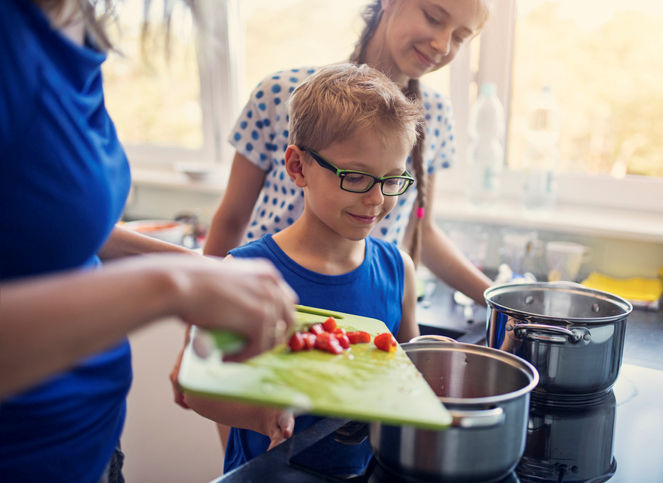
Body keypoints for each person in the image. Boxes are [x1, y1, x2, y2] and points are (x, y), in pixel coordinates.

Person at [0, 1, 297, 482]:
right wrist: (171, 286)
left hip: (93, 445)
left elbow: (58, 232)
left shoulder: (78, 27)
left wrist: (203, 270)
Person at [183, 62, 423, 476]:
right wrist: (260, 417)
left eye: (392, 180)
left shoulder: (397, 269)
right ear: (298, 167)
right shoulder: (242, 273)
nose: (375, 199)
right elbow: (199, 390)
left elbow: (408, 381)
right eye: (356, 177)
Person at [203, 0, 494, 305]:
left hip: (363, 302)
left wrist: (499, 302)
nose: (442, 44)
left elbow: (422, 231)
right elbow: (232, 219)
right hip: (265, 297)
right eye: (433, 18)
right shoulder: (281, 92)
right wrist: (203, 311)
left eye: (460, 37)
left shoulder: (434, 114)